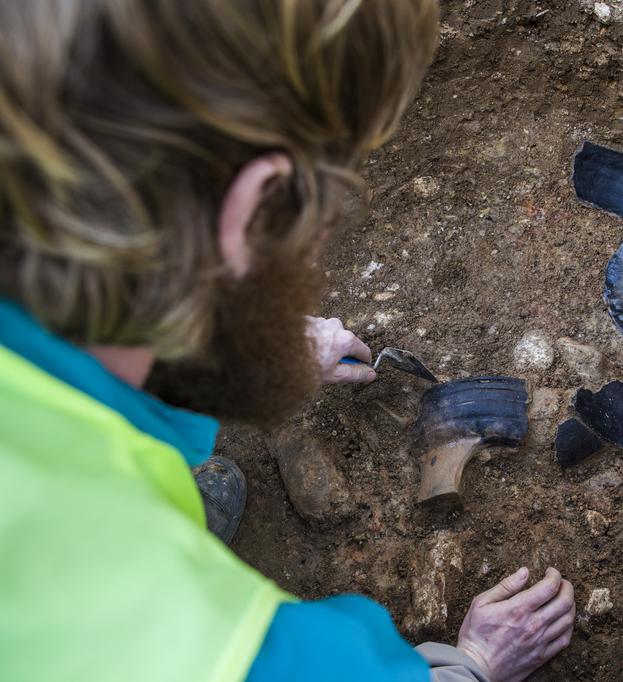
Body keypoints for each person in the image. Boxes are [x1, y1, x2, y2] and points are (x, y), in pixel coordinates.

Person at [0, 1, 576, 681]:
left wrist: (224, 325)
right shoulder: (205, 648)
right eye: (328, 211)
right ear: (248, 211)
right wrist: (471, 663)